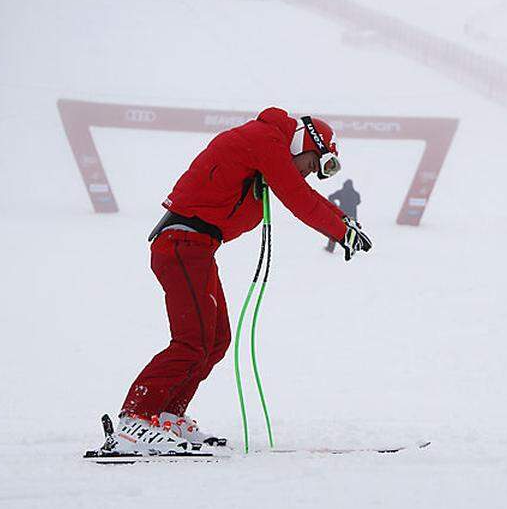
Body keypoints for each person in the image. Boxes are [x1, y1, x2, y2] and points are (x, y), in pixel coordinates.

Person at [108, 107, 373, 454]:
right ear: (304, 142)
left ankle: (165, 416)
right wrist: (341, 229)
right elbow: (298, 197)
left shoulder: (270, 149)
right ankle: (135, 421)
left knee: (216, 339)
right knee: (192, 341)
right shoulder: (264, 139)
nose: (305, 174)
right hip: (181, 243)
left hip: (197, 248)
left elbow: (300, 192)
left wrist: (343, 222)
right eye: (309, 164)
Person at [324, 179, 361, 253]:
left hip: (342, 215)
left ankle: (330, 248)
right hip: (352, 216)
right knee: (352, 232)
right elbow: (358, 202)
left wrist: (335, 205)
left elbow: (331, 197)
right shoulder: (355, 193)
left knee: (335, 231)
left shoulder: (341, 192)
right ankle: (353, 249)